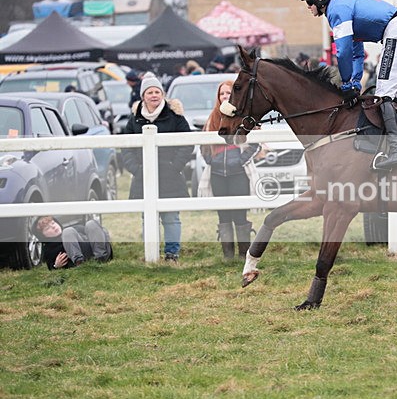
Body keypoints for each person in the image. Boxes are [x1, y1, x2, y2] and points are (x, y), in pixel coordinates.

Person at [294, 0, 397, 170]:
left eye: (307, 0)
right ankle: (396, 145)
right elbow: (357, 54)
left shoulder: (336, 10)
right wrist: (354, 82)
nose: (307, 6)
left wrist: (345, 84)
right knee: (387, 93)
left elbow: (343, 52)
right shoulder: (340, 7)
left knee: (384, 95)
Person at [121, 73, 194, 261]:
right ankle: (151, 255)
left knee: (171, 217)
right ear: (143, 96)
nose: (154, 95)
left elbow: (187, 143)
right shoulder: (134, 119)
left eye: (157, 91)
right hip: (143, 176)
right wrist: (137, 169)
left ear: (162, 94)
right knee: (148, 218)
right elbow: (126, 148)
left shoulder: (175, 117)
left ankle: (172, 254)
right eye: (149, 92)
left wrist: (175, 166)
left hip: (170, 175)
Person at [201, 80, 261, 259]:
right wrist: (212, 160)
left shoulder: (243, 117)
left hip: (238, 173)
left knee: (239, 214)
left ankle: (244, 254)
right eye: (222, 94)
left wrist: (240, 160)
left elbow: (255, 143)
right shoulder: (212, 119)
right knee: (223, 215)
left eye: (228, 93)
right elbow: (203, 146)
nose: (225, 96)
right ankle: (228, 255)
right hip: (217, 173)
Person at [33, 216, 112, 270]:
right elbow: (50, 264)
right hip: (83, 257)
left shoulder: (76, 228)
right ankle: (79, 263)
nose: (53, 227)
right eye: (48, 228)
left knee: (91, 223)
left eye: (53, 223)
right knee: (67, 232)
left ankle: (101, 258)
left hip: (98, 249)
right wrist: (56, 266)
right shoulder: (49, 249)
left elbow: (96, 232)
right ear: (43, 236)